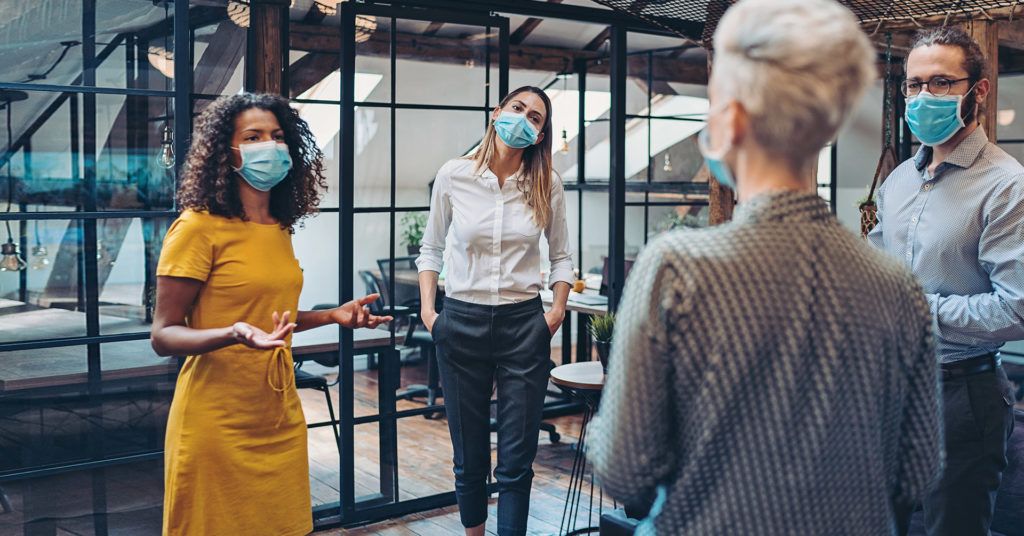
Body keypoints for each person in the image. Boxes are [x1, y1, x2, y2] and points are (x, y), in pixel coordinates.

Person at [587, 0, 943, 534]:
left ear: (729, 119)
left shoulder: (677, 269)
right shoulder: (899, 286)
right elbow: (916, 474)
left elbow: (624, 466)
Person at [151, 93, 391, 536]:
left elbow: (271, 317)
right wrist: (232, 333)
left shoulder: (277, 227)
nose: (271, 146)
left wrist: (333, 316)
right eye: (254, 136)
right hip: (216, 419)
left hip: (278, 411)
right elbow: (164, 335)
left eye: (278, 136)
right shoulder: (197, 226)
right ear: (227, 151)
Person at [869, 26, 1023, 536]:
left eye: (940, 83)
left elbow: (1016, 309)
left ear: (977, 91)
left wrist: (916, 307)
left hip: (961, 396)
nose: (922, 97)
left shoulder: (1006, 186)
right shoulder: (898, 181)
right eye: (913, 85)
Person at [416, 86, 574, 536]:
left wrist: (556, 312)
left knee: (517, 457)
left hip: (524, 325)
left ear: (541, 135)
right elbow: (431, 249)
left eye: (536, 118)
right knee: (467, 454)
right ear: (496, 113)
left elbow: (561, 257)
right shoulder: (454, 175)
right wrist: (431, 314)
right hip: (459, 323)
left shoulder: (548, 185)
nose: (524, 119)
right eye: (517, 109)